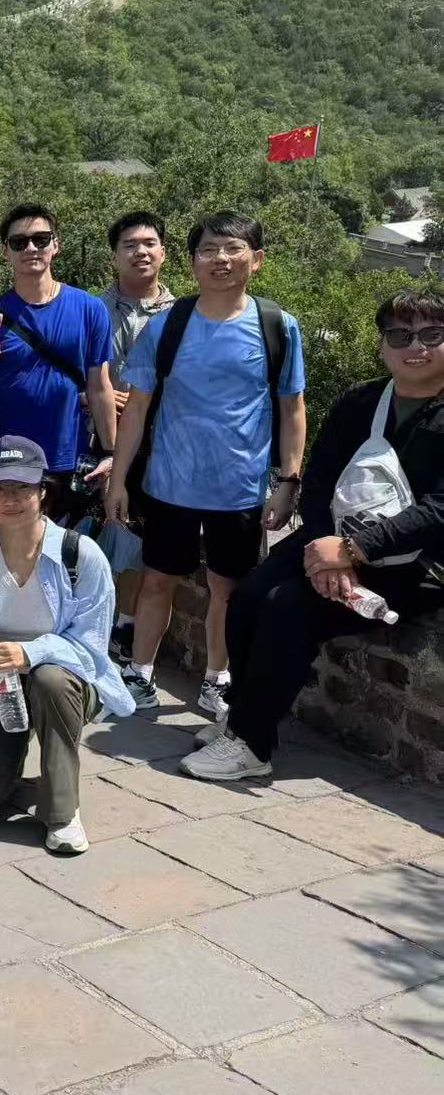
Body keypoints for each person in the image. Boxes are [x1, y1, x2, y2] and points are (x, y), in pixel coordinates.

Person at [182, 288, 444, 781]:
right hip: (336, 545)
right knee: (250, 596)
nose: (417, 346)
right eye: (401, 335)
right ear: (383, 345)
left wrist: (353, 550)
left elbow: (440, 511)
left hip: (413, 564)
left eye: (433, 335)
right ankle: (243, 720)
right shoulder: (361, 402)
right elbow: (321, 482)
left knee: (289, 608)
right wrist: (330, 548)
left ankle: (251, 746)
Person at [107, 212, 306, 715]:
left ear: (256, 261)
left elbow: (292, 408)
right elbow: (137, 410)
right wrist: (118, 479)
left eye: (233, 249)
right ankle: (140, 674)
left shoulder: (277, 326)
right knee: (156, 578)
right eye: (210, 250)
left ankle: (218, 678)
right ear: (192, 261)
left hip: (239, 486)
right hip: (169, 483)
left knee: (227, 588)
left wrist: (289, 480)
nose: (221, 259)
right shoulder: (167, 324)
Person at [0, 436, 133, 855]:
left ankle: (62, 811)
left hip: (63, 681)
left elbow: (92, 650)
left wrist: (32, 652)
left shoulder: (81, 555)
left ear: (43, 489)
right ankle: (23, 764)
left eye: (22, 487)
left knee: (50, 679)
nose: (10, 499)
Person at [0, 204, 118, 498]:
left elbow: (100, 388)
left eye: (41, 239)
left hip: (70, 457)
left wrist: (111, 454)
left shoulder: (90, 309)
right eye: (19, 242)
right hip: (7, 461)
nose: (31, 248)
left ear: (56, 245)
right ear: (6, 252)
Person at [98, 211, 176, 660]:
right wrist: (101, 399)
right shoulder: (92, 309)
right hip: (99, 440)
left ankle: (123, 631)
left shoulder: (184, 315)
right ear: (115, 256)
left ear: (163, 253)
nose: (140, 252)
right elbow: (81, 376)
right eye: (129, 245)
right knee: (102, 537)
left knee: (138, 544)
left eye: (149, 243)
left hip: (160, 445)